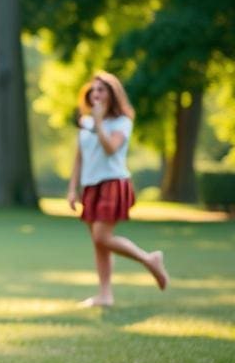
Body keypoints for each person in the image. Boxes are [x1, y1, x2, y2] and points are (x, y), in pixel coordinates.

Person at [66, 71, 170, 307]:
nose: (96, 94)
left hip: (113, 182)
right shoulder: (85, 122)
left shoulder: (122, 122)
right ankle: (105, 295)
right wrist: (73, 189)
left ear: (112, 94)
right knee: (98, 242)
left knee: (102, 236)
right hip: (90, 185)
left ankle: (149, 259)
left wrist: (100, 122)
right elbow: (79, 157)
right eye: (93, 90)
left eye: (101, 90)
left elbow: (111, 149)